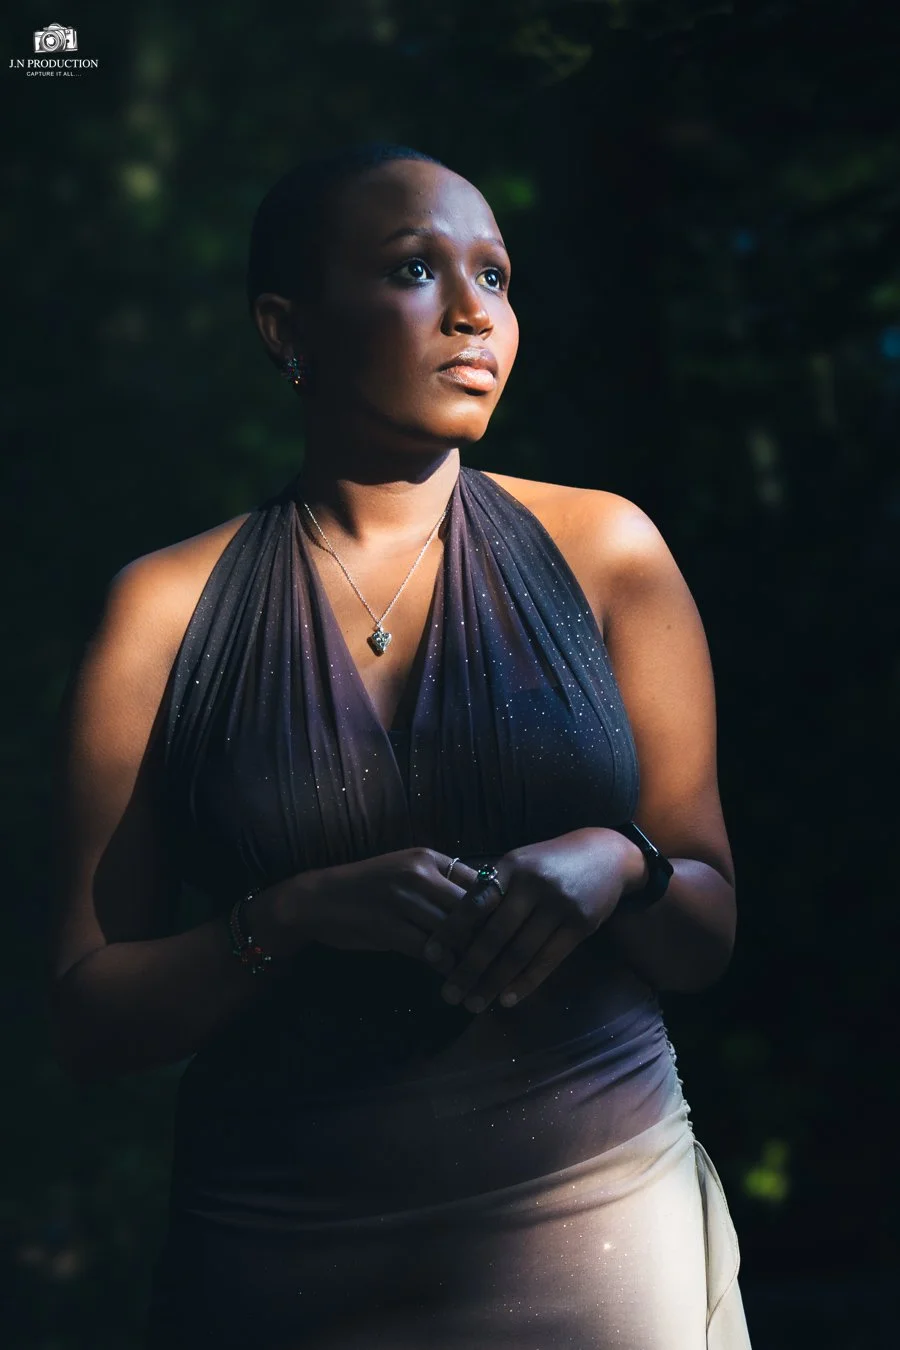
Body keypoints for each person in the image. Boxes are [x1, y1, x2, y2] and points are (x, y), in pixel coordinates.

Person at [48, 141, 752, 1349]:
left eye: (498, 274)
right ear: (287, 327)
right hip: (273, 1259)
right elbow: (88, 1019)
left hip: (600, 1233)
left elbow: (708, 927)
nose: (477, 311)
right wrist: (294, 913)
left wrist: (616, 861)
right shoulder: (159, 613)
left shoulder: (611, 555)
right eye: (417, 269)